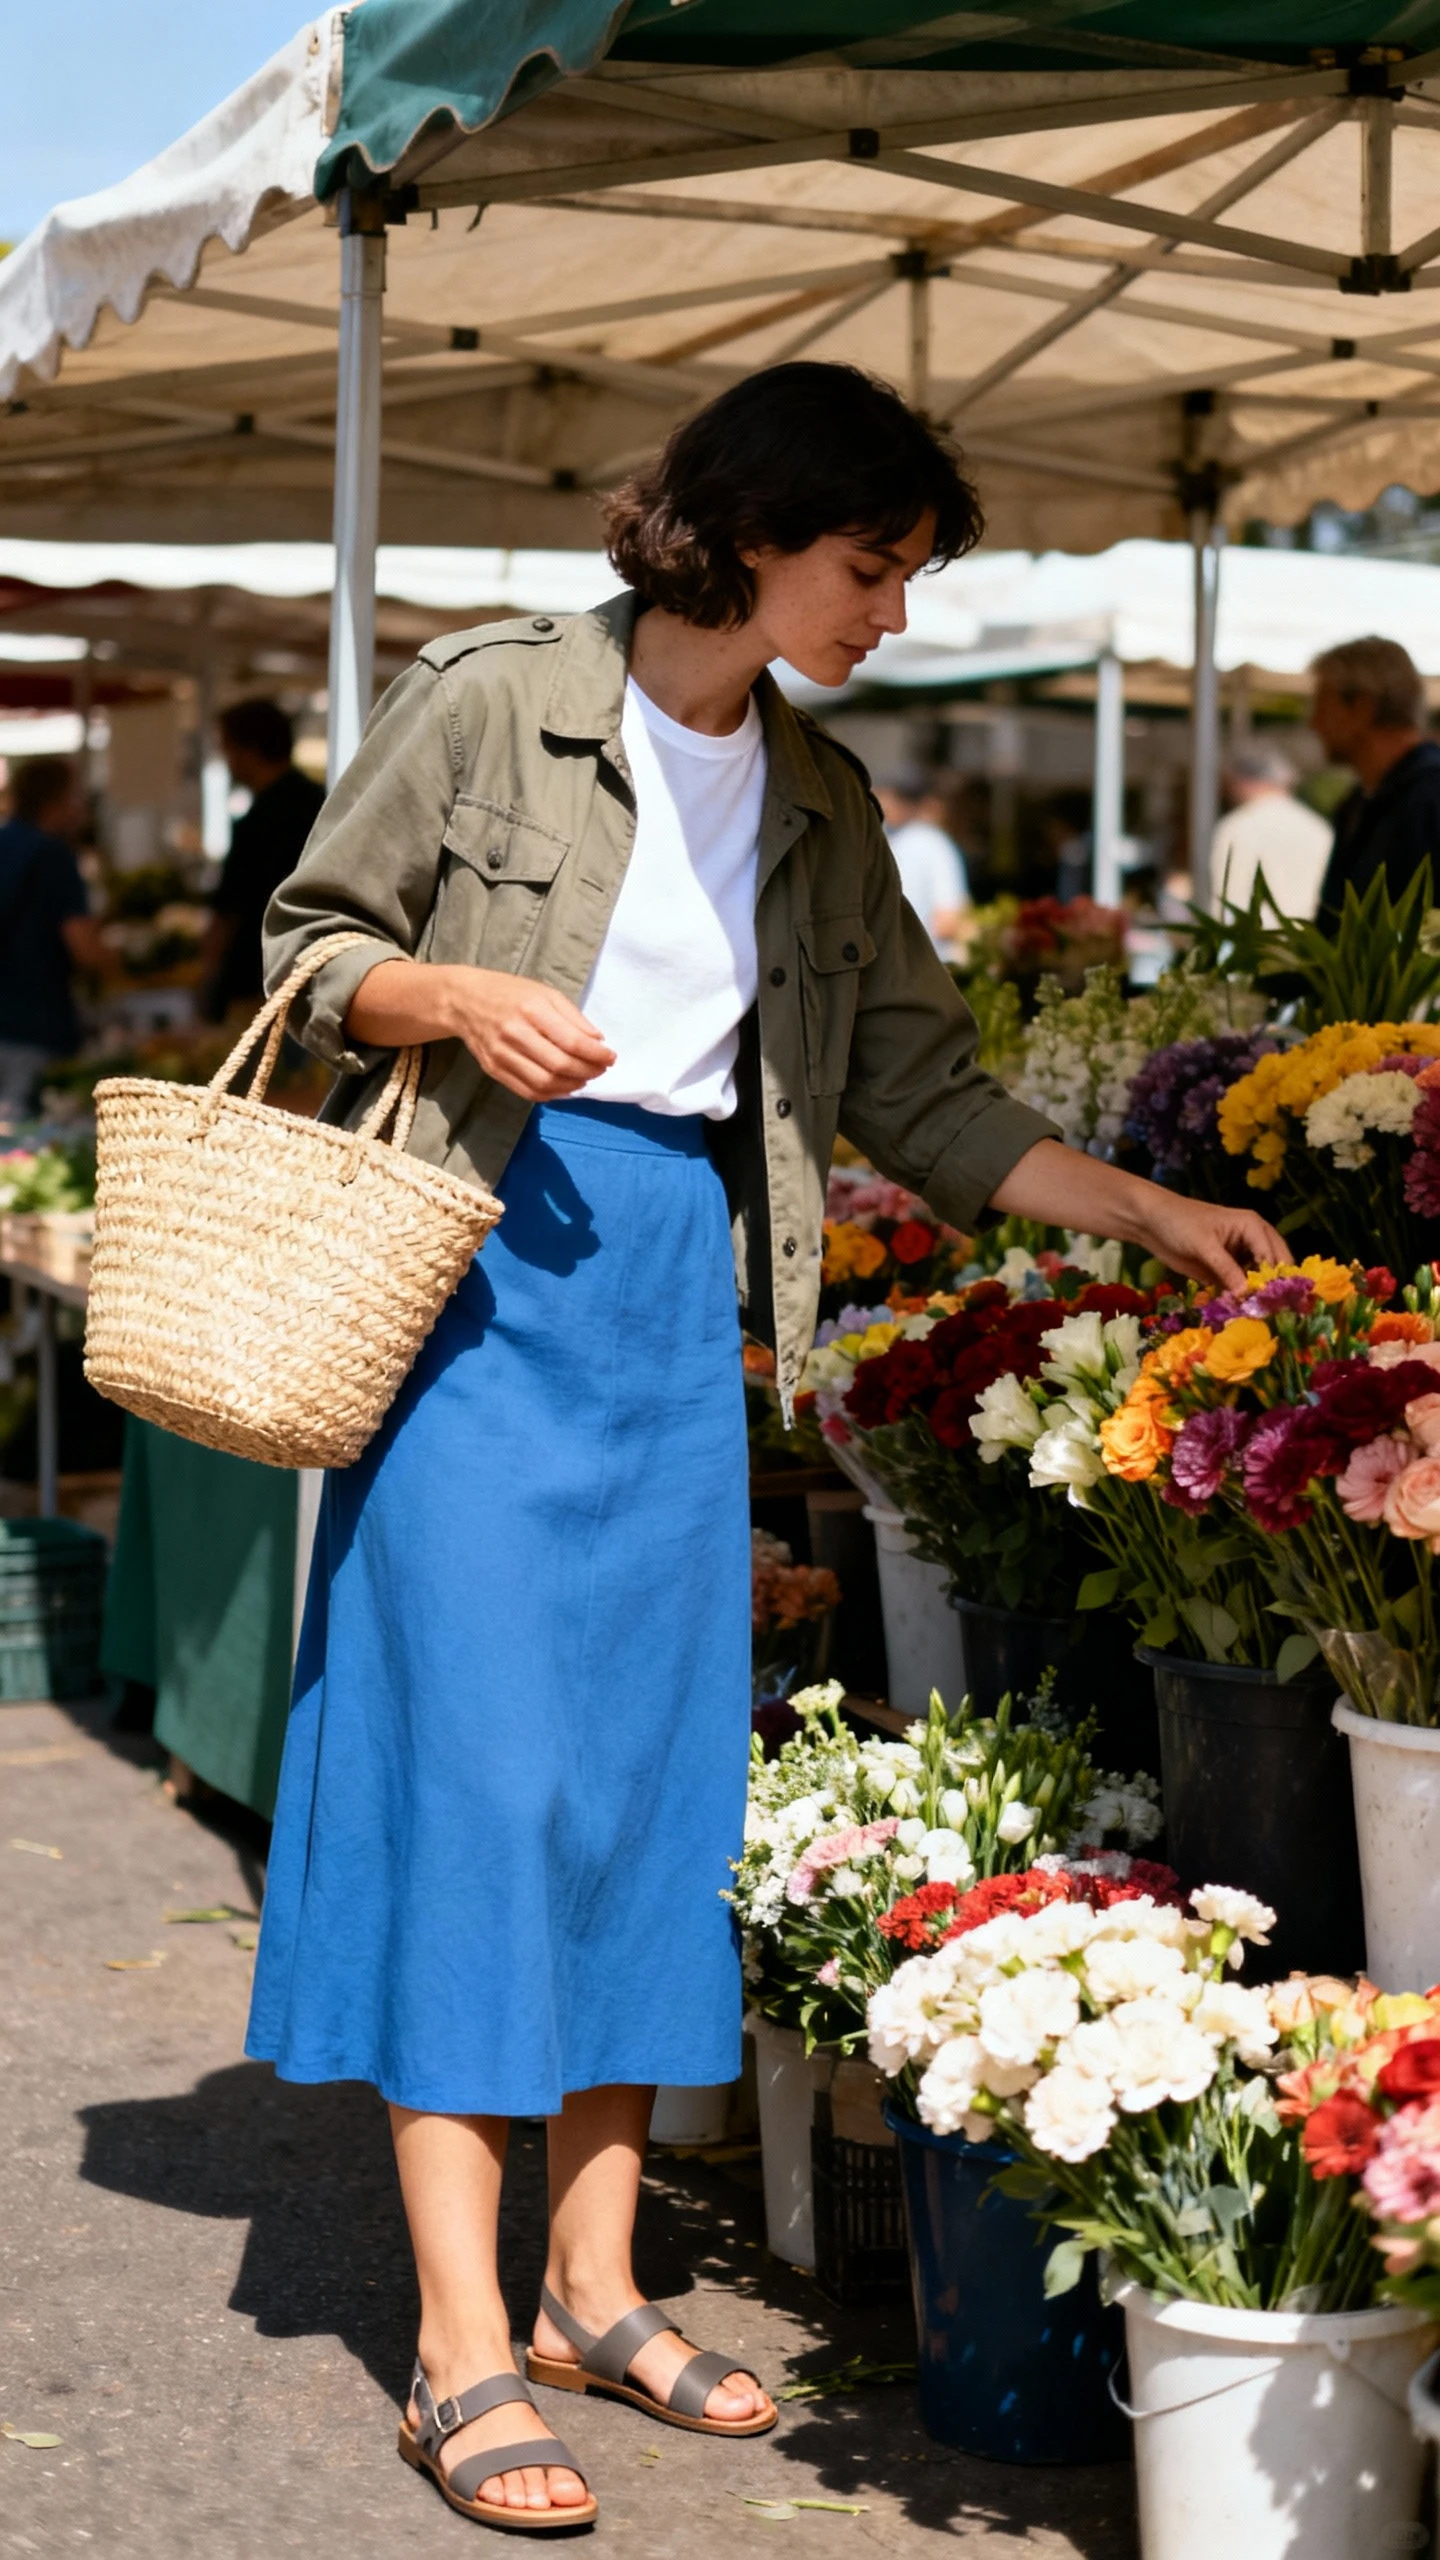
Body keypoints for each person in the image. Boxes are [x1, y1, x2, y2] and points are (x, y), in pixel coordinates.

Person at [248, 361, 1286, 2536]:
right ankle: (454, 2342)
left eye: (907, 575)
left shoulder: (816, 796)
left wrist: (1150, 1207)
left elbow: (919, 1090)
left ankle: (592, 2280)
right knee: (485, 1784)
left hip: (657, 1296)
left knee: (642, 1785)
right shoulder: (492, 700)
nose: (891, 610)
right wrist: (448, 1000)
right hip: (462, 1273)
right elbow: (310, 941)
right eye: (871, 564)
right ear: (743, 530)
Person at [199, 699, 324, 1019]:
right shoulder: (321, 803)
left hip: (258, 977)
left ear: (249, 751)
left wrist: (207, 971)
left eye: (227, 750)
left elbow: (228, 909)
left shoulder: (255, 823)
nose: (227, 762)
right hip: (316, 970)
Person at [0, 757, 106, 1120]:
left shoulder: (5, 842)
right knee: (27, 1145)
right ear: (53, 801)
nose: (80, 809)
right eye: (74, 798)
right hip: (38, 1024)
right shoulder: (53, 856)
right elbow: (85, 950)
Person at [1311, 636, 1440, 918]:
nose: (1314, 723)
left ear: (1361, 708)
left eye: (1322, 705)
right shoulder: (1359, 805)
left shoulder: (1429, 798)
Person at [1210, 745, 1332, 922]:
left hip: (1255, 940)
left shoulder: (1236, 826)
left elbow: (1229, 896)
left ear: (1241, 782)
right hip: (1307, 938)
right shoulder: (1316, 826)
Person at [873, 763, 969, 952]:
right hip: (904, 961)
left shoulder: (931, 843)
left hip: (917, 963)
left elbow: (947, 920)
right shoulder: (895, 840)